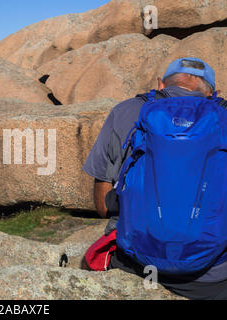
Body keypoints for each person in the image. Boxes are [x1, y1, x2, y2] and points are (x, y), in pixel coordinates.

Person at [83, 57, 227, 300]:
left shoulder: (126, 111)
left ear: (161, 84)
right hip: (212, 276)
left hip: (136, 267)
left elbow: (103, 207)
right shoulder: (222, 115)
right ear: (215, 93)